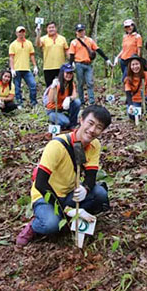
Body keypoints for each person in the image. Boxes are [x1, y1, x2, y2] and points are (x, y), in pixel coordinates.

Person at [16, 105, 112, 246]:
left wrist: (85, 188)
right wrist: (67, 209)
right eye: (90, 123)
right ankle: (34, 226)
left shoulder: (94, 145)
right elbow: (41, 183)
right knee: (51, 224)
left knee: (100, 195)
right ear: (81, 120)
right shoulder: (57, 146)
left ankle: (68, 217)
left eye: (99, 127)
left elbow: (91, 176)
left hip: (69, 193)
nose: (92, 130)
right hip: (46, 196)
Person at [68, 23, 112, 105]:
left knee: (90, 82)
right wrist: (70, 65)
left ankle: (91, 101)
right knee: (80, 83)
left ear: (84, 31)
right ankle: (81, 101)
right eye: (79, 31)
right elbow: (71, 54)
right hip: (78, 64)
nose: (81, 32)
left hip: (88, 64)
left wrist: (106, 59)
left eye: (82, 31)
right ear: (76, 32)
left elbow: (98, 49)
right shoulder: (74, 42)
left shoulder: (90, 40)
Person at [45, 63, 81, 130]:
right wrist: (53, 87)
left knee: (77, 102)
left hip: (63, 109)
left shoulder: (70, 84)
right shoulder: (57, 84)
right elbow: (51, 100)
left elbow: (74, 95)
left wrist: (69, 98)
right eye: (67, 73)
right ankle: (60, 122)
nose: (69, 75)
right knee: (65, 122)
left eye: (71, 73)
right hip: (53, 111)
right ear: (62, 73)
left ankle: (72, 125)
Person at [9, 26, 39, 106]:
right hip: (17, 69)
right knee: (17, 88)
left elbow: (32, 55)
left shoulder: (29, 43)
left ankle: (33, 102)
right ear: (16, 33)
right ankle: (19, 103)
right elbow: (11, 57)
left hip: (27, 69)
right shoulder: (13, 44)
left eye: (23, 32)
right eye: (20, 32)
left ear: (25, 33)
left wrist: (35, 66)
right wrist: (12, 69)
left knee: (33, 85)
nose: (21, 34)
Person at [35, 21, 69, 87]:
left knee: (62, 86)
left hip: (61, 67)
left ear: (56, 28)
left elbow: (66, 50)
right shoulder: (43, 38)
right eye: (49, 28)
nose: (51, 29)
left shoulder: (62, 38)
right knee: (50, 87)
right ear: (46, 29)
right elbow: (37, 44)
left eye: (53, 27)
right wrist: (38, 34)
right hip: (48, 67)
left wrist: (71, 61)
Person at [124, 55, 147, 120]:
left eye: (137, 64)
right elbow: (128, 94)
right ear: (130, 66)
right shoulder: (127, 79)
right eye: (133, 65)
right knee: (132, 115)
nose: (135, 67)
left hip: (146, 98)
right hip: (135, 100)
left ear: (140, 65)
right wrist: (131, 105)